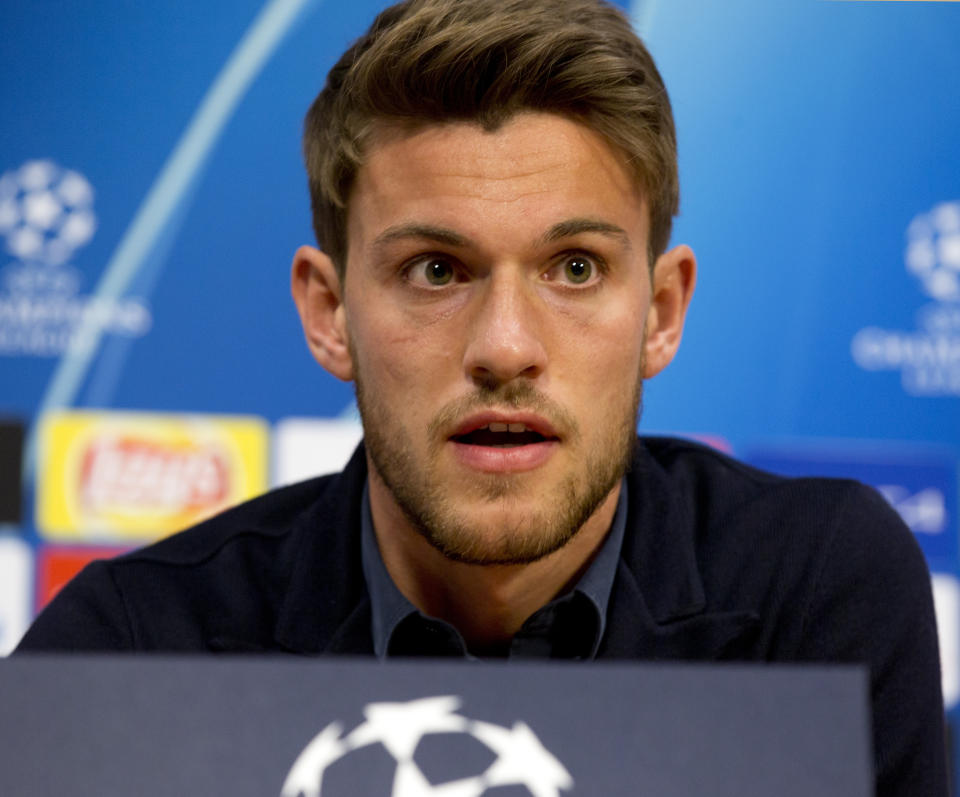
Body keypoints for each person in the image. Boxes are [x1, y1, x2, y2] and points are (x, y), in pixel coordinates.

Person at [16, 0, 946, 793]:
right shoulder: (133, 651)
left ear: (661, 312)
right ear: (330, 311)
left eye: (575, 267)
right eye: (435, 270)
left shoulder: (816, 593)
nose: (506, 347)